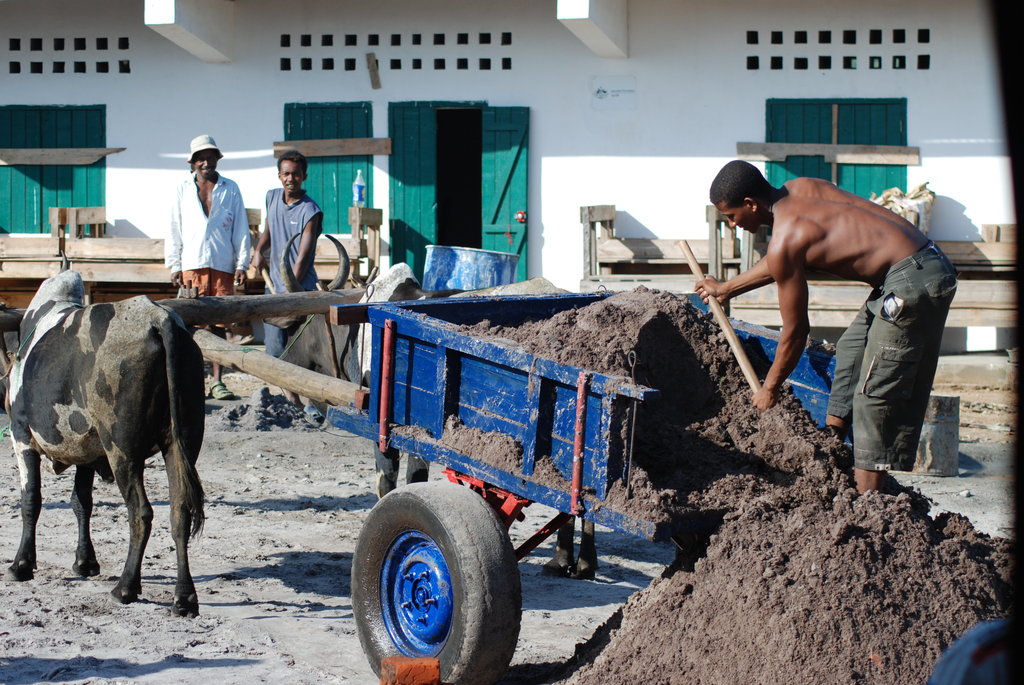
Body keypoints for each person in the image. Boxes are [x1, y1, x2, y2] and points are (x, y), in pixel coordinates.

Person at [696, 161, 957, 493]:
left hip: (912, 282)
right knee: (850, 349)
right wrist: (726, 288)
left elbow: (795, 331)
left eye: (731, 216)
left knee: (875, 392)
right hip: (919, 263)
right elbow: (779, 259)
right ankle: (832, 444)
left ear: (751, 204)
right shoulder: (802, 188)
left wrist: (770, 388)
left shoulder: (785, 238)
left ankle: (868, 506)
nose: (732, 225)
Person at [165, 134, 251, 401]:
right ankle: (195, 381)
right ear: (193, 162)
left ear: (217, 159)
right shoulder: (182, 189)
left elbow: (241, 228)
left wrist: (242, 263)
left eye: (210, 157)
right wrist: (174, 264)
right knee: (193, 326)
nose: (206, 162)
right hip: (192, 264)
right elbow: (173, 228)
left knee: (221, 324)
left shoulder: (230, 188)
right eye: (201, 158)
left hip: (223, 264)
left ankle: (218, 381)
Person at [250, 149, 323, 410]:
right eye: (285, 173)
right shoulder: (271, 197)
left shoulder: (311, 211)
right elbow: (268, 231)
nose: (290, 178)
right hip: (275, 290)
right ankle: (292, 402)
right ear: (279, 175)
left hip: (299, 290)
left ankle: (312, 402)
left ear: (304, 176)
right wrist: (259, 251)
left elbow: (302, 258)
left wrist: (289, 292)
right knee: (275, 349)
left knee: (301, 350)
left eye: (295, 174)